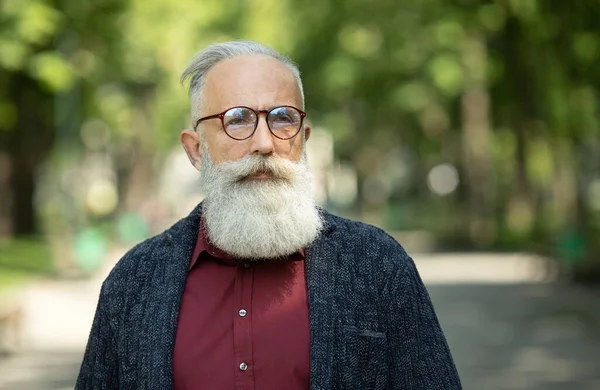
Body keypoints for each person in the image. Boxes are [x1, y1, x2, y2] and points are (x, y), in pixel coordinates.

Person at [76, 40, 461, 390]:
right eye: (237, 119)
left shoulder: (378, 265)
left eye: (282, 118)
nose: (264, 143)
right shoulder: (133, 283)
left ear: (303, 140)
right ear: (195, 150)